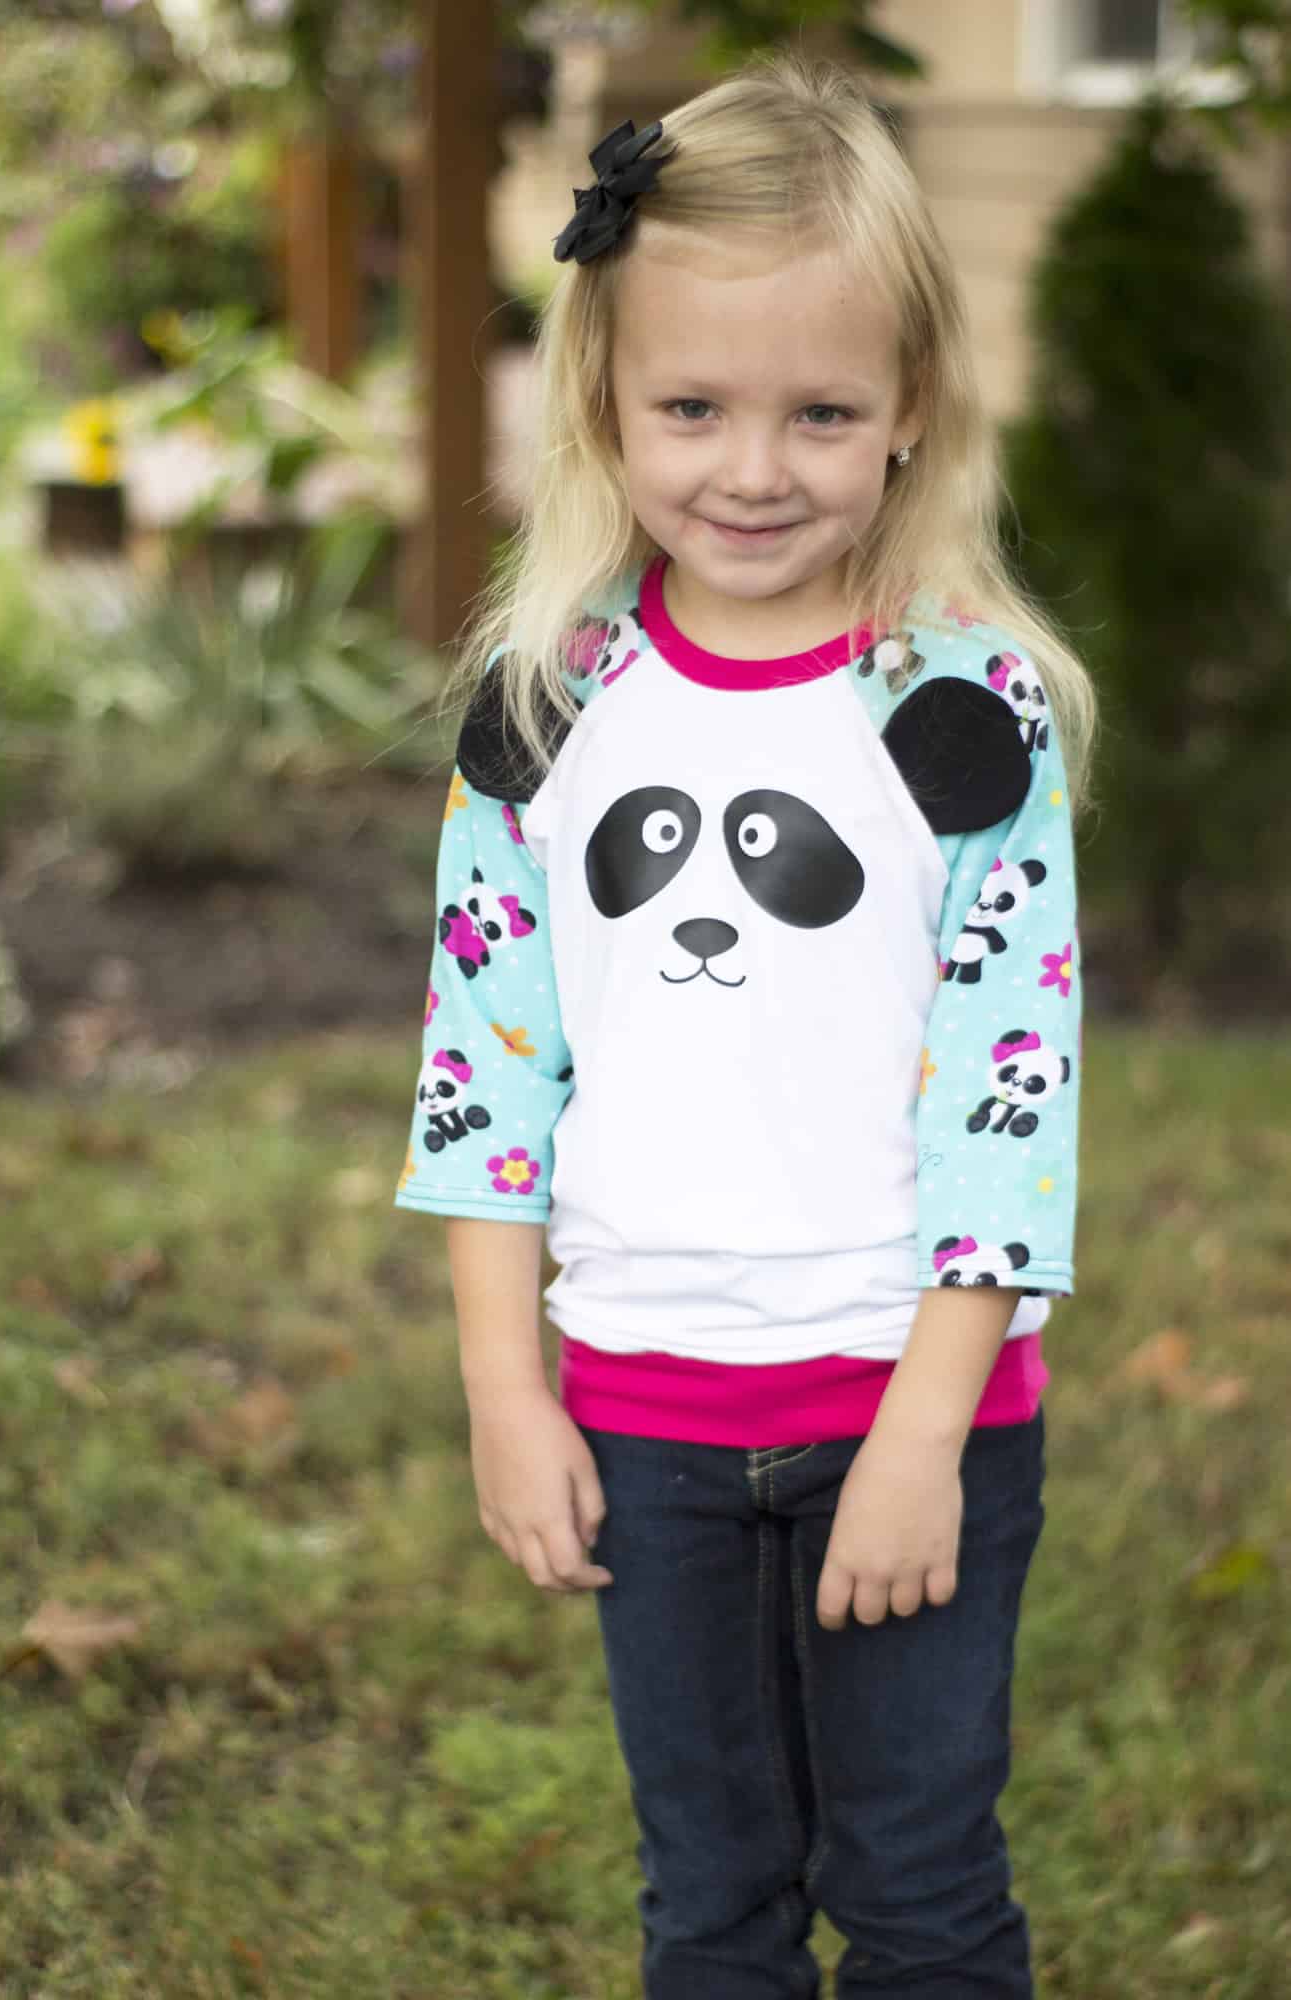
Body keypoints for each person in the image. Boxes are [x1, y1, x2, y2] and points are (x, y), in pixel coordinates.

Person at [395, 47, 1099, 2000]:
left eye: (820, 411)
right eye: (692, 406)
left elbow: (1010, 1101)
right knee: (707, 1900)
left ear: (910, 410)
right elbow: (481, 1078)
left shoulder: (964, 713)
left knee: (922, 1888)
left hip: (907, 1401)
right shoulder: (544, 704)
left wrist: (926, 1435)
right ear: (603, 403)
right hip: (644, 1409)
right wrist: (508, 1393)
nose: (754, 466)